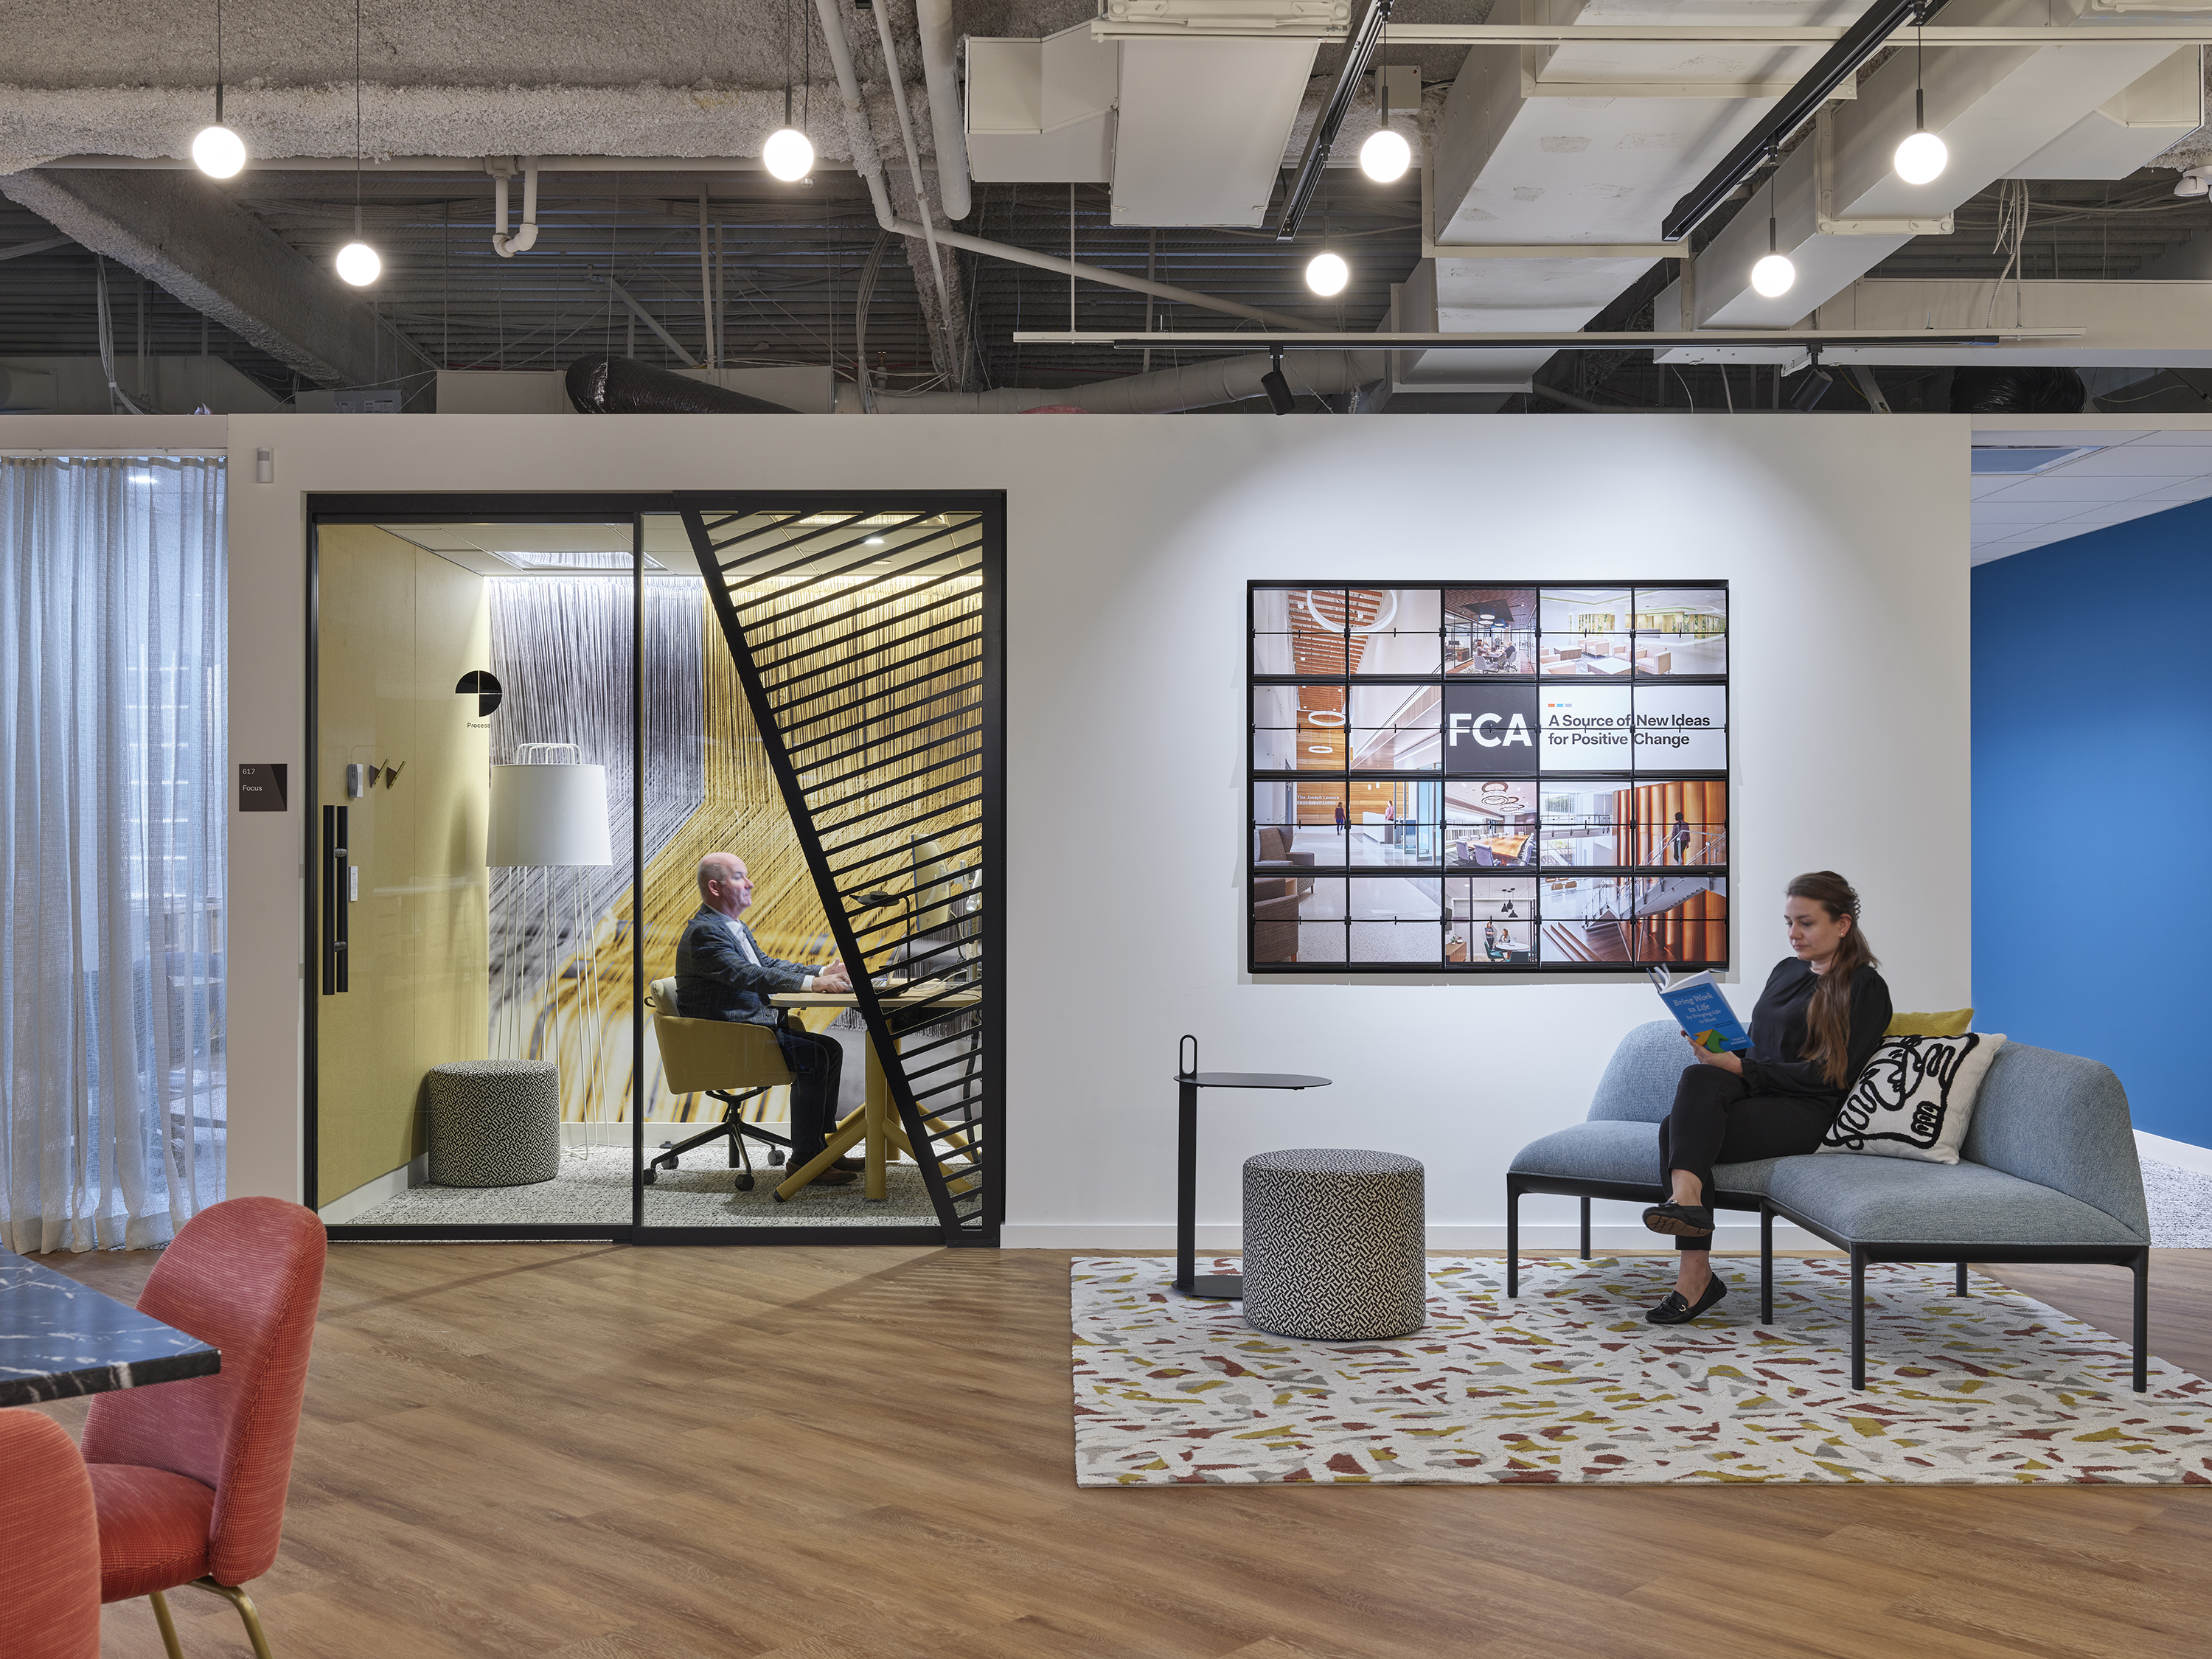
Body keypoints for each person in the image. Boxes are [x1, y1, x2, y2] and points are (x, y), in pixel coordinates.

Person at [1639, 871, 1892, 1326]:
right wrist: (1717, 1046)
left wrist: (1741, 1068)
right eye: (1789, 922)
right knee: (1699, 1076)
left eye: (1806, 923)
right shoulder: (1786, 970)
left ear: (1842, 924)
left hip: (1808, 1108)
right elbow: (1760, 1047)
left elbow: (1832, 1075)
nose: (1794, 933)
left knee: (1673, 1130)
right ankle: (1687, 1208)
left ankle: (1694, 1273)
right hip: (1759, 1087)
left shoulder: (1865, 987)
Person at [675, 852, 860, 1185]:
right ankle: (805, 1160)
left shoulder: (731, 927)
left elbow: (766, 964)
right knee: (815, 1055)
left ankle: (820, 1148)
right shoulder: (706, 933)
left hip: (749, 1029)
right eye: (739, 877)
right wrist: (813, 984)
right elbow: (749, 975)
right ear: (715, 887)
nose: (750, 883)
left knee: (829, 1049)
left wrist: (820, 971)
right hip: (727, 1039)